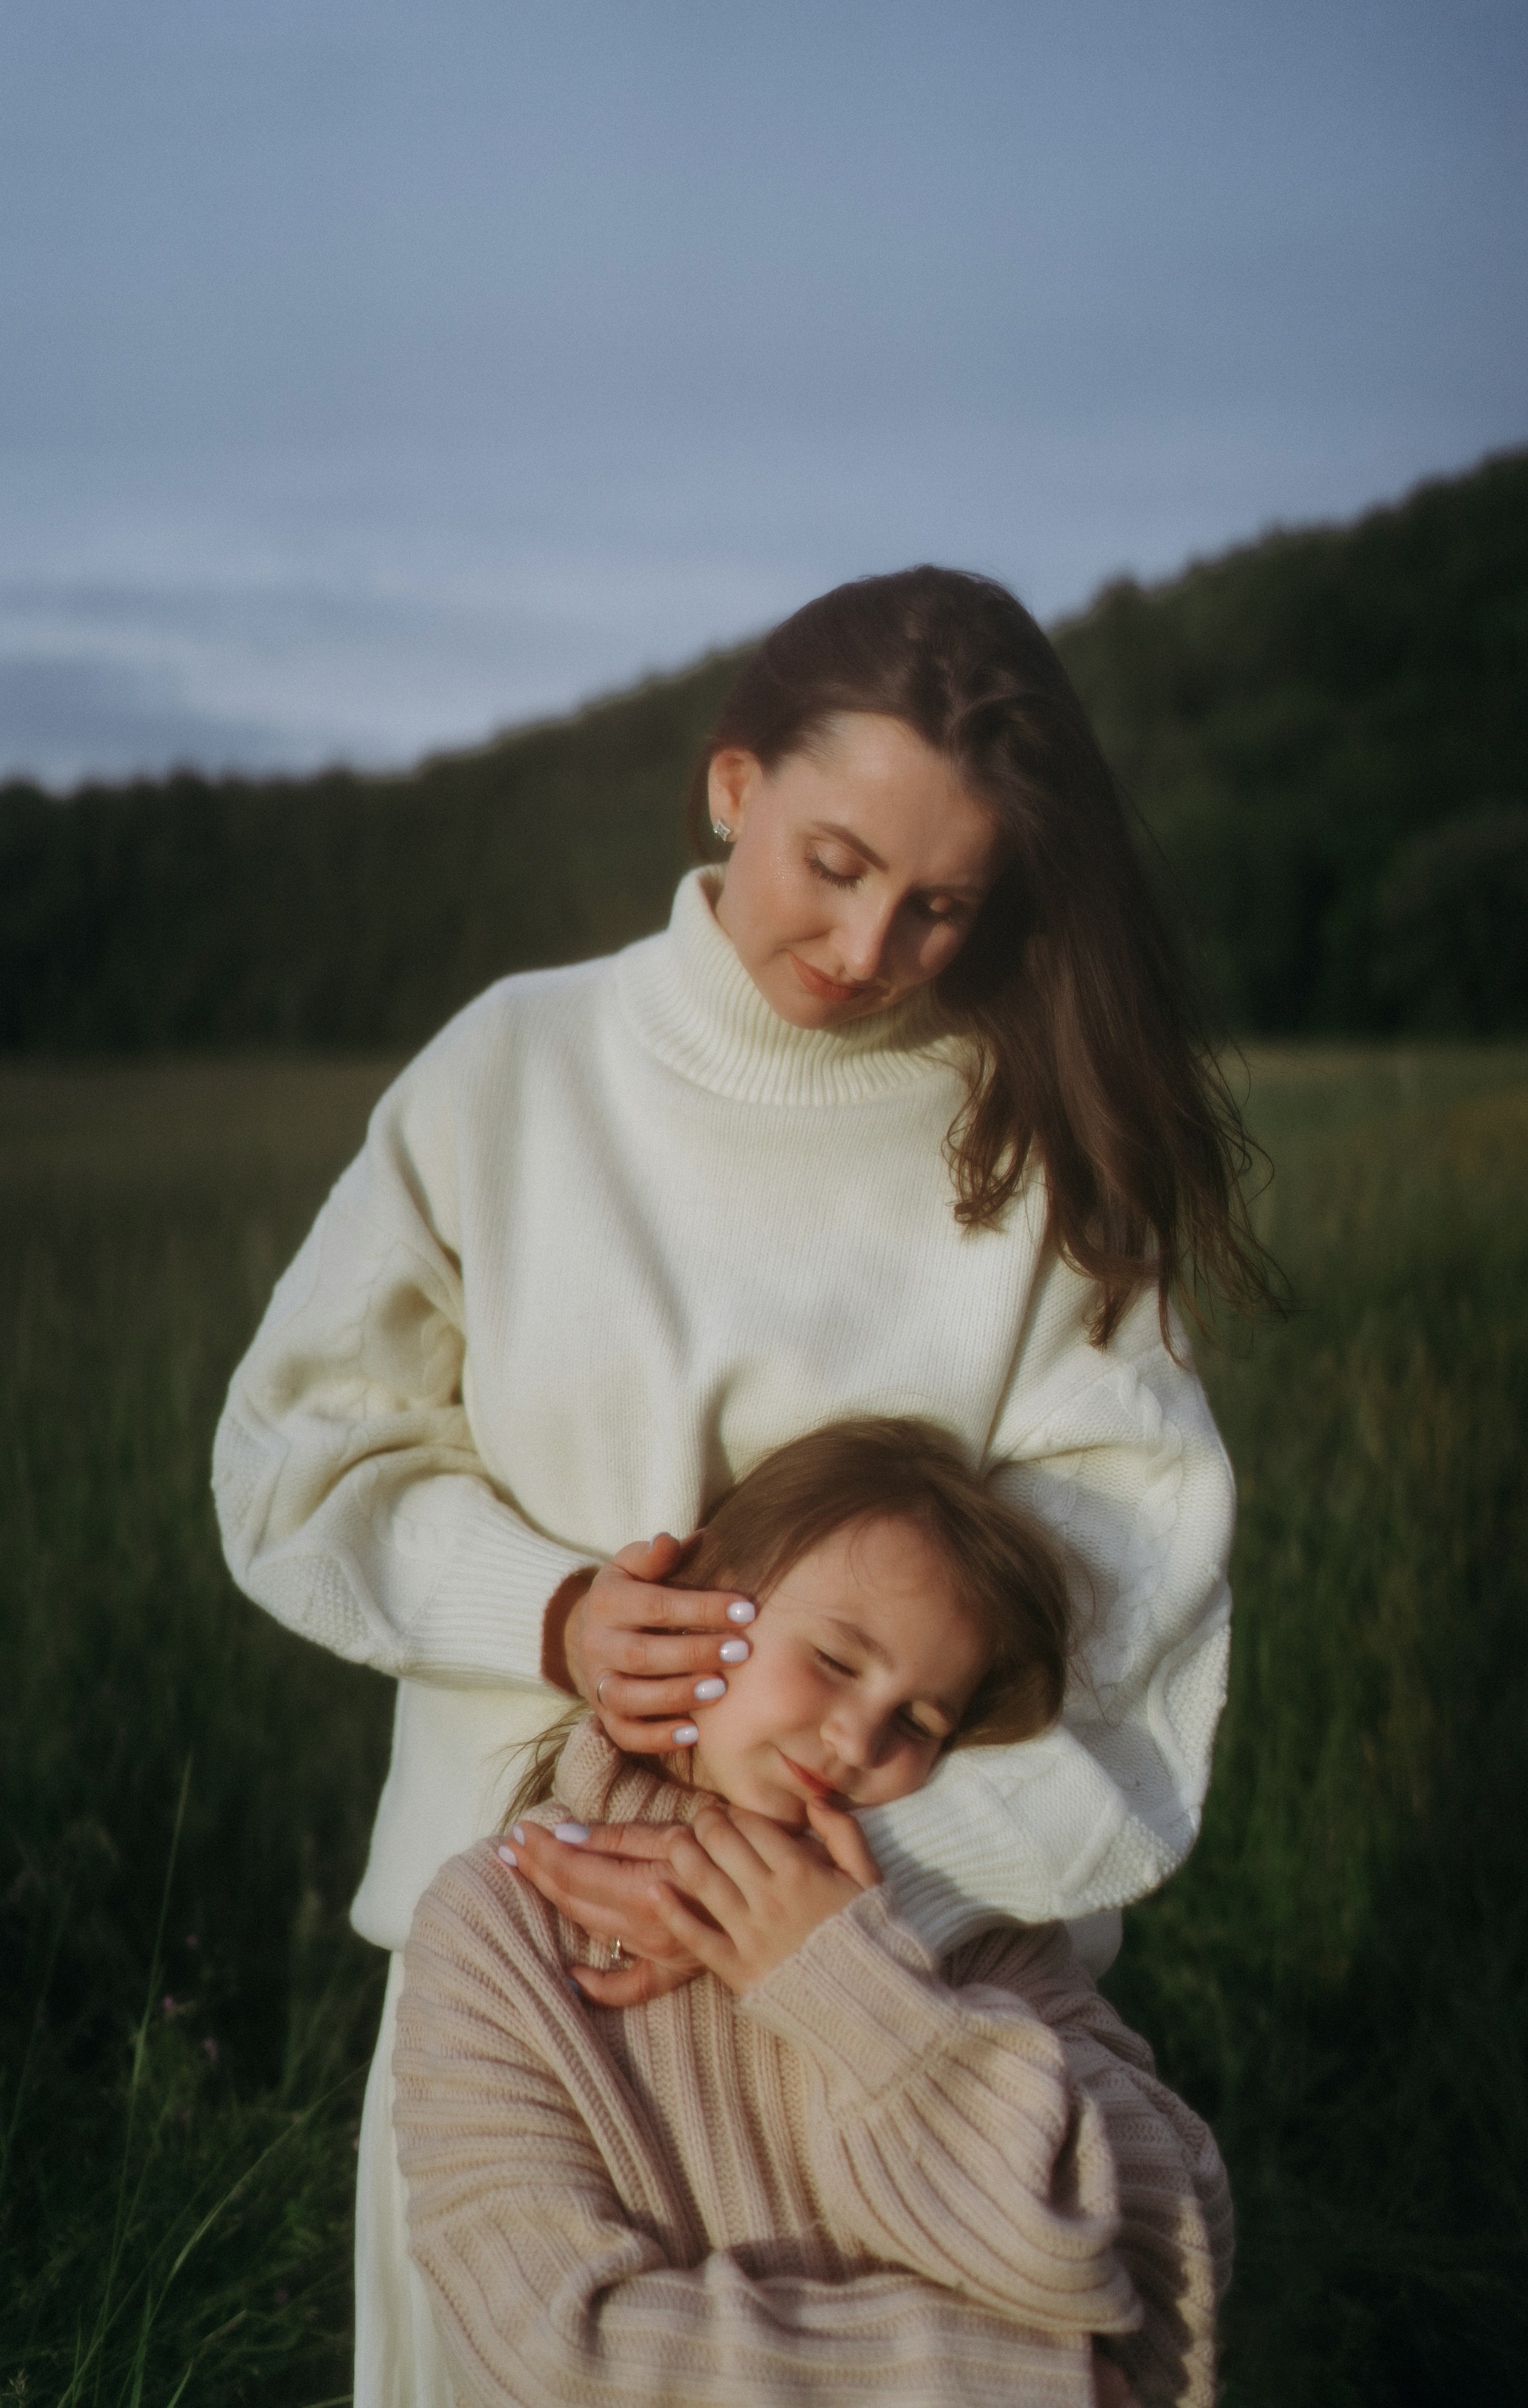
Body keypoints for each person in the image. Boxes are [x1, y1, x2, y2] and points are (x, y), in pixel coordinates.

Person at [212, 566, 1270, 2407]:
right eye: (833, 864)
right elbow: (297, 1451)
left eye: (941, 906)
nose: (866, 947)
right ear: (731, 785)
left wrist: (825, 1912)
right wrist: (548, 1613)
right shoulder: (518, 1067)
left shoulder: (1030, 1139)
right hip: (524, 1981)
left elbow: (1130, 1616)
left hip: (891, 2005)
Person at [394, 1417, 1232, 2408]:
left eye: (918, 1719)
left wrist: (853, 1991)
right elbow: (551, 2351)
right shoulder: (497, 1930)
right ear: (696, 1598)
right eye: (835, 1659)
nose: (857, 1738)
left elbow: (1162, 2273)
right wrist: (1005, 2385)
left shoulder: (977, 1934)